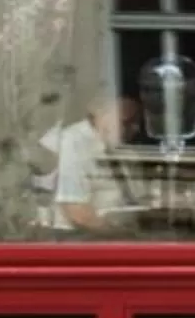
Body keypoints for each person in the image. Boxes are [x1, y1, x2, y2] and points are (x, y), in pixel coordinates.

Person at [38, 94, 136, 234]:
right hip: (81, 238)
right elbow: (77, 211)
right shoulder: (72, 142)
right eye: (126, 121)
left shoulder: (119, 147)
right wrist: (124, 237)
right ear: (100, 112)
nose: (135, 128)